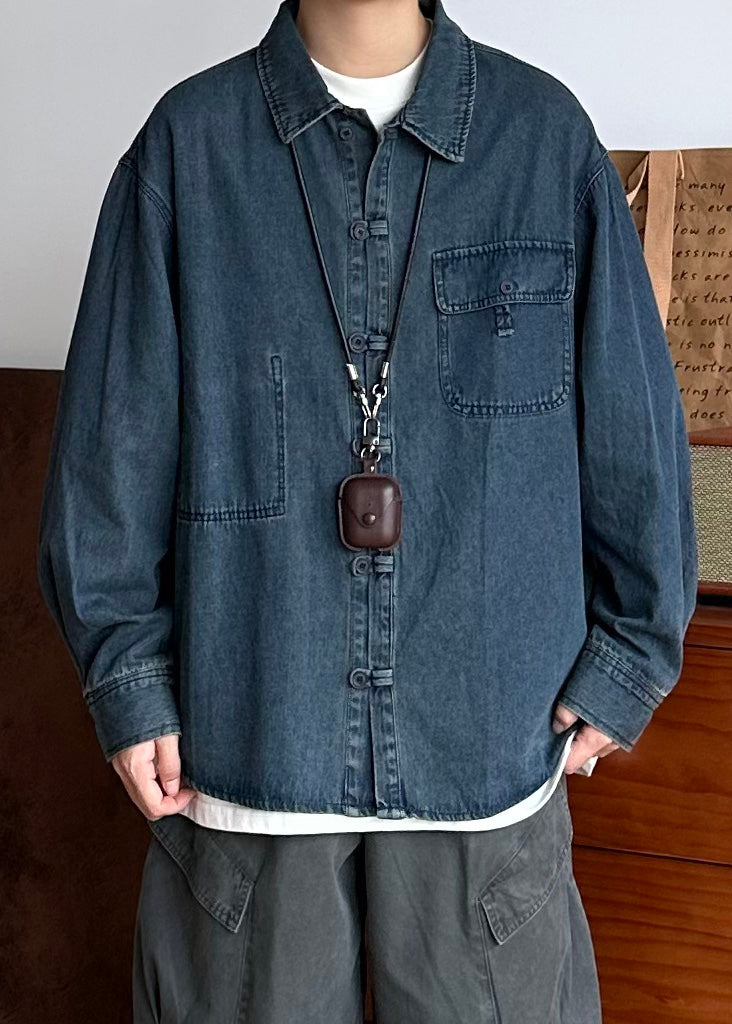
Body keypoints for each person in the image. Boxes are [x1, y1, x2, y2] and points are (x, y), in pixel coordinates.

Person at [36, 0, 699, 1020]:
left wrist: (632, 652)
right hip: (250, 751)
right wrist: (127, 677)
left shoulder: (543, 141)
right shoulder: (187, 149)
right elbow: (109, 456)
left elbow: (631, 428)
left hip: (490, 757)